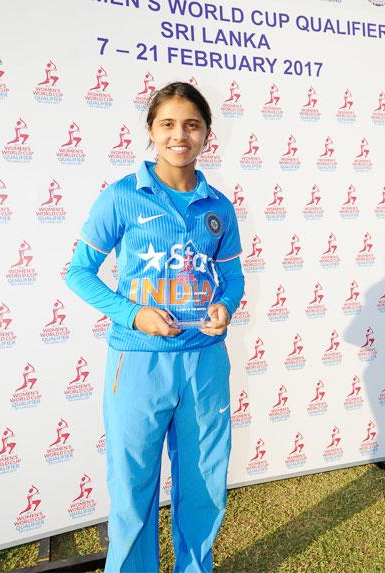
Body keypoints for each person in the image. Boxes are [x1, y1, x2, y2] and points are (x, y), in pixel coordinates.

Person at [66, 82, 244, 573]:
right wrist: (133, 313)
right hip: (138, 361)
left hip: (205, 361)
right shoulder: (123, 197)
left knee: (204, 482)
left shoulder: (218, 207)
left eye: (191, 124)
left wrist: (226, 306)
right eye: (167, 123)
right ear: (151, 131)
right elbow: (78, 272)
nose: (179, 134)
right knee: (132, 488)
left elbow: (232, 276)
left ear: (207, 134)